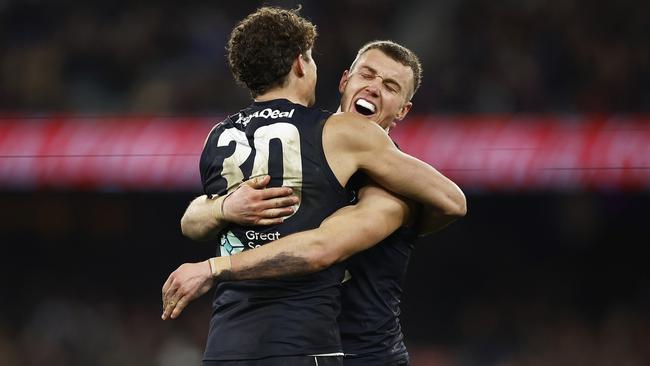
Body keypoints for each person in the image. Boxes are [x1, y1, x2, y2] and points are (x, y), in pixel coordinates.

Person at [162, 7, 465, 366]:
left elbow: (451, 202)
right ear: (343, 81)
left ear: (403, 110)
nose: (374, 88)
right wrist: (223, 207)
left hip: (363, 354)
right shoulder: (311, 145)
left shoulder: (394, 187)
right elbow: (193, 217)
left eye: (390, 86)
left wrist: (214, 267)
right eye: (367, 75)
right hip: (298, 342)